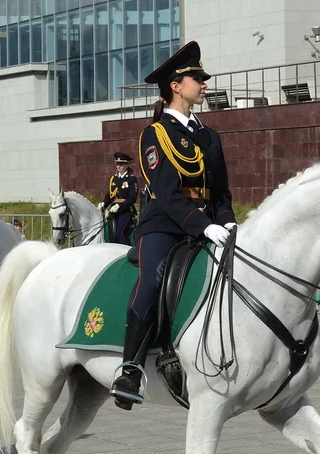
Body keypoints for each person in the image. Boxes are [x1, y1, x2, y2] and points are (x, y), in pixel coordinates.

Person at [109, 41, 237, 410]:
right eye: (198, 78)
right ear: (176, 86)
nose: (204, 84)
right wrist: (202, 225)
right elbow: (165, 192)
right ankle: (130, 368)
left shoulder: (209, 134)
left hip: (208, 224)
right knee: (152, 280)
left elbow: (222, 191)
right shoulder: (154, 134)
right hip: (164, 226)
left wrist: (226, 223)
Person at [97, 152, 139, 245]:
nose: (119, 166)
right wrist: (104, 203)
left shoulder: (131, 179)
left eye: (121, 164)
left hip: (125, 212)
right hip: (112, 211)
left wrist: (119, 206)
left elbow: (132, 199)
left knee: (120, 233)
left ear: (127, 164)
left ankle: (126, 253)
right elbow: (109, 195)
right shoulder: (114, 179)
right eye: (117, 164)